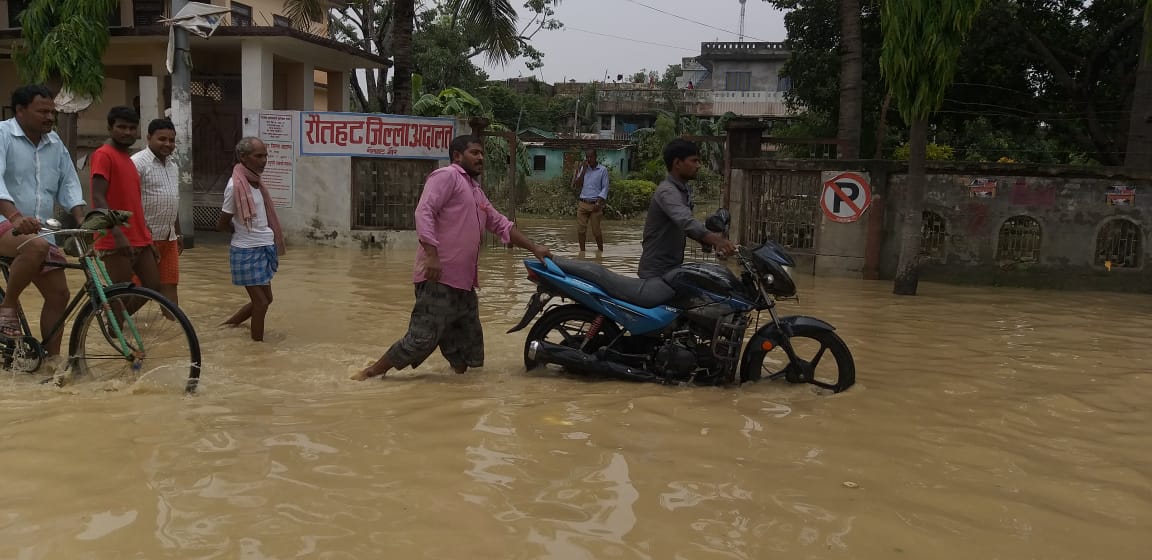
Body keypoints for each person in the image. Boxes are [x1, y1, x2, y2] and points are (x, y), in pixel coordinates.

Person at [353, 135, 552, 381]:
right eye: (475, 153)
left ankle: (458, 395)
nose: (481, 158)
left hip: (464, 285)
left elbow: (500, 224)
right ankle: (368, 374)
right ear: (457, 155)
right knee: (420, 340)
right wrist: (432, 255)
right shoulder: (446, 176)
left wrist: (534, 248)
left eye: (482, 154)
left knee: (470, 351)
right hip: (439, 277)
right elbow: (424, 211)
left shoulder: (475, 191)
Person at [0, 84, 89, 356]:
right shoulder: (3, 134)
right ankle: (8, 307)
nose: (50, 117)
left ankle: (51, 361)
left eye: (52, 112)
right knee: (35, 247)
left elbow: (69, 184)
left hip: (39, 230)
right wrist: (15, 217)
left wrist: (83, 221)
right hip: (5, 223)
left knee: (59, 295)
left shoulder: (55, 143)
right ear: (20, 110)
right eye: (42, 111)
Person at [217, 137, 286, 342]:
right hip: (246, 251)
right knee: (261, 303)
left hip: (264, 247)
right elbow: (221, 224)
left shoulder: (255, 183)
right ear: (243, 157)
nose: (264, 160)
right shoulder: (235, 186)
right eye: (258, 156)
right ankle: (257, 347)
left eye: (265, 155)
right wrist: (242, 233)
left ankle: (228, 326)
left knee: (267, 299)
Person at [637, 139, 736, 279]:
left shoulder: (683, 190)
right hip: (657, 274)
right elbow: (686, 221)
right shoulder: (668, 192)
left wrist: (707, 239)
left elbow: (684, 227)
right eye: (694, 161)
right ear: (677, 163)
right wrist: (717, 241)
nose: (698, 166)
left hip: (671, 269)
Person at [90, 106, 161, 293]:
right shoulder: (103, 155)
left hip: (139, 238)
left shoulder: (128, 159)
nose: (127, 132)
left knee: (153, 287)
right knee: (121, 293)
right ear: (110, 128)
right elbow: (98, 197)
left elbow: (134, 203)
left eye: (131, 128)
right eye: (121, 127)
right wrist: (116, 233)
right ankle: (113, 321)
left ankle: (114, 321)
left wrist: (148, 238)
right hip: (115, 239)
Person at [132, 118, 183, 306]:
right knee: (142, 288)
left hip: (169, 238)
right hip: (144, 239)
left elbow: (173, 199)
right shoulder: (137, 164)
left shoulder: (173, 166)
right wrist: (143, 235)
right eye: (162, 139)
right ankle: (116, 324)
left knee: (170, 285)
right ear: (148, 138)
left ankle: (176, 330)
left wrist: (178, 232)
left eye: (171, 140)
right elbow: (130, 203)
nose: (168, 144)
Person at [571, 148, 609, 252]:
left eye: (590, 157)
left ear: (595, 157)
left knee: (596, 231)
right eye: (587, 157)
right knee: (581, 230)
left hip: (595, 205)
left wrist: (598, 202)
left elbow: (605, 188)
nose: (588, 159)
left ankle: (601, 252)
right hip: (583, 203)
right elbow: (577, 184)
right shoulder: (584, 169)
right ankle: (582, 252)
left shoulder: (603, 170)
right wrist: (583, 170)